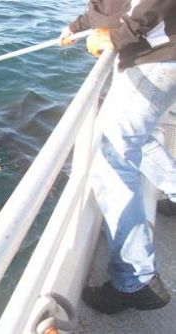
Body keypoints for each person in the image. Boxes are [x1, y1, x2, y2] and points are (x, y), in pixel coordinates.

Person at [60, 0, 176, 314]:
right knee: (136, 138)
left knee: (111, 162)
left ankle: (135, 280)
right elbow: (115, 6)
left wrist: (115, 38)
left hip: (156, 58)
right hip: (158, 57)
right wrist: (78, 26)